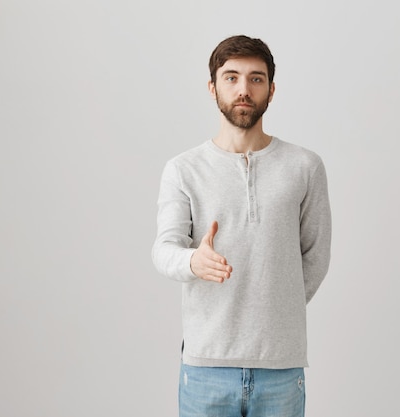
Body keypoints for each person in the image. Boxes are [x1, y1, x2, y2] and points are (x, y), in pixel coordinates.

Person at [152, 34, 332, 417]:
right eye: (231, 77)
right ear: (212, 86)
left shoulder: (305, 166)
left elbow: (316, 255)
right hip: (206, 367)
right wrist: (192, 263)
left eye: (255, 78)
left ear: (271, 89)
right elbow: (164, 249)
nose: (243, 89)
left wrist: (275, 305)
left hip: (281, 369)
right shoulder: (183, 169)